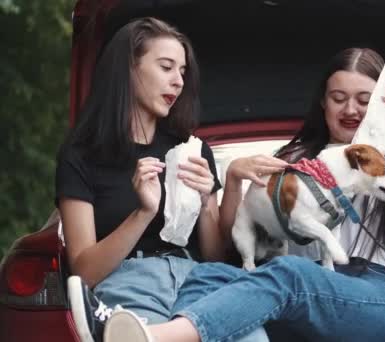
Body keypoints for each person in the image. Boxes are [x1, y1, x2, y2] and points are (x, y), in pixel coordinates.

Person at [87, 47, 385, 342]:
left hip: (379, 293)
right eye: (338, 98)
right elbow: (231, 241)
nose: (350, 110)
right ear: (323, 103)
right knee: (206, 276)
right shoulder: (292, 163)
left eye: (364, 100)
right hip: (306, 291)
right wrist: (235, 182)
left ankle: (157, 337)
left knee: (289, 271)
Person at [57, 17, 287, 342]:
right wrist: (143, 213)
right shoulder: (81, 155)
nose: (178, 81)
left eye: (182, 71)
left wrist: (207, 200)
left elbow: (214, 257)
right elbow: (84, 272)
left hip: (200, 281)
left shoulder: (192, 150)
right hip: (128, 284)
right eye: (166, 67)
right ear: (128, 69)